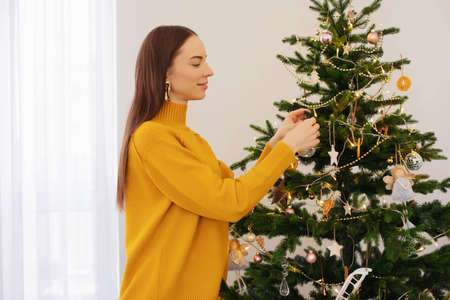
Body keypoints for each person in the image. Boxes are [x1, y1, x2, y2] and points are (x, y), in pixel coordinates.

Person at [116, 25, 320, 300]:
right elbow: (230, 203)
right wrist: (288, 148)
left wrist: (276, 143)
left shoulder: (188, 138)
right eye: (196, 63)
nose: (208, 71)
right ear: (165, 71)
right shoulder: (153, 138)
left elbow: (235, 192)